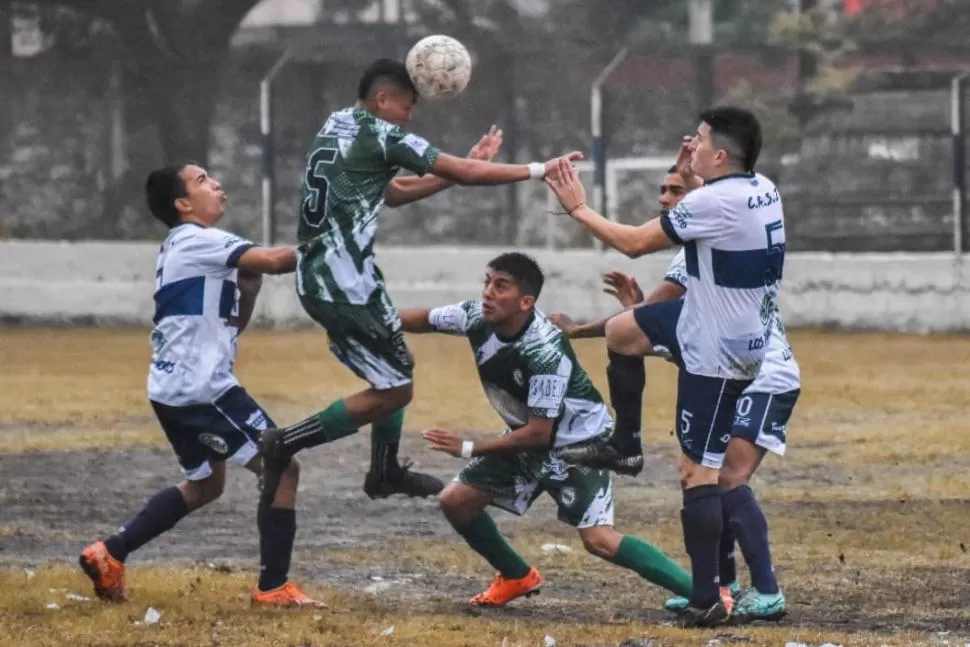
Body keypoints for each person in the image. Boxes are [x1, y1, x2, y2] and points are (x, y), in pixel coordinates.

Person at [259, 58, 581, 507]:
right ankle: (287, 442)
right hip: (344, 282)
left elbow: (393, 192)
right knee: (396, 390)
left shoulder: (339, 125)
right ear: (382, 99)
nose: (410, 116)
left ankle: (385, 470)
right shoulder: (380, 132)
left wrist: (455, 173)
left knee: (397, 368)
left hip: (329, 276)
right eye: (407, 106)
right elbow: (465, 173)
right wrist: (537, 170)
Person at [544, 107, 785, 627]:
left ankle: (706, 598)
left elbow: (632, 243)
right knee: (622, 330)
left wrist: (577, 208)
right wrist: (696, 176)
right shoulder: (758, 185)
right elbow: (713, 199)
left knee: (697, 471)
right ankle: (626, 445)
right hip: (708, 320)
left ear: (720, 154)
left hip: (719, 351)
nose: (689, 145)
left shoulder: (717, 201)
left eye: (698, 140)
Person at [79, 163, 324, 609]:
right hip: (204, 387)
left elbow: (232, 326)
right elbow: (276, 259)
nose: (216, 185)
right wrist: (335, 237)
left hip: (172, 387)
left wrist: (248, 290)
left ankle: (110, 553)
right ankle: (273, 587)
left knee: (206, 484)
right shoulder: (198, 239)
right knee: (283, 467)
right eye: (202, 181)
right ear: (182, 204)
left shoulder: (188, 246)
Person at [393, 252, 692, 607]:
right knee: (456, 502)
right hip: (530, 437)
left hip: (579, 443)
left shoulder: (544, 349)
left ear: (526, 302)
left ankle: (703, 593)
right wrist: (377, 323)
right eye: (487, 282)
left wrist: (469, 447)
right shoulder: (475, 315)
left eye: (500, 286)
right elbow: (424, 319)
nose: (488, 292)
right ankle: (516, 576)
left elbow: (541, 434)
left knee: (600, 540)